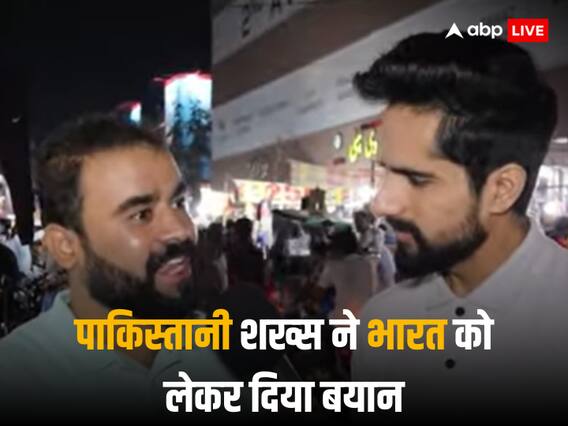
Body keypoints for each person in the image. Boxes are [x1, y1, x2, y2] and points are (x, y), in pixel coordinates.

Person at [350, 32, 568, 419]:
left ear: (501, 189)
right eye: (386, 173)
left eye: (417, 179)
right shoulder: (384, 319)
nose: (381, 204)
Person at [0, 116, 234, 420]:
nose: (181, 230)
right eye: (141, 214)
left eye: (178, 202)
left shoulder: (221, 351)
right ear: (65, 246)